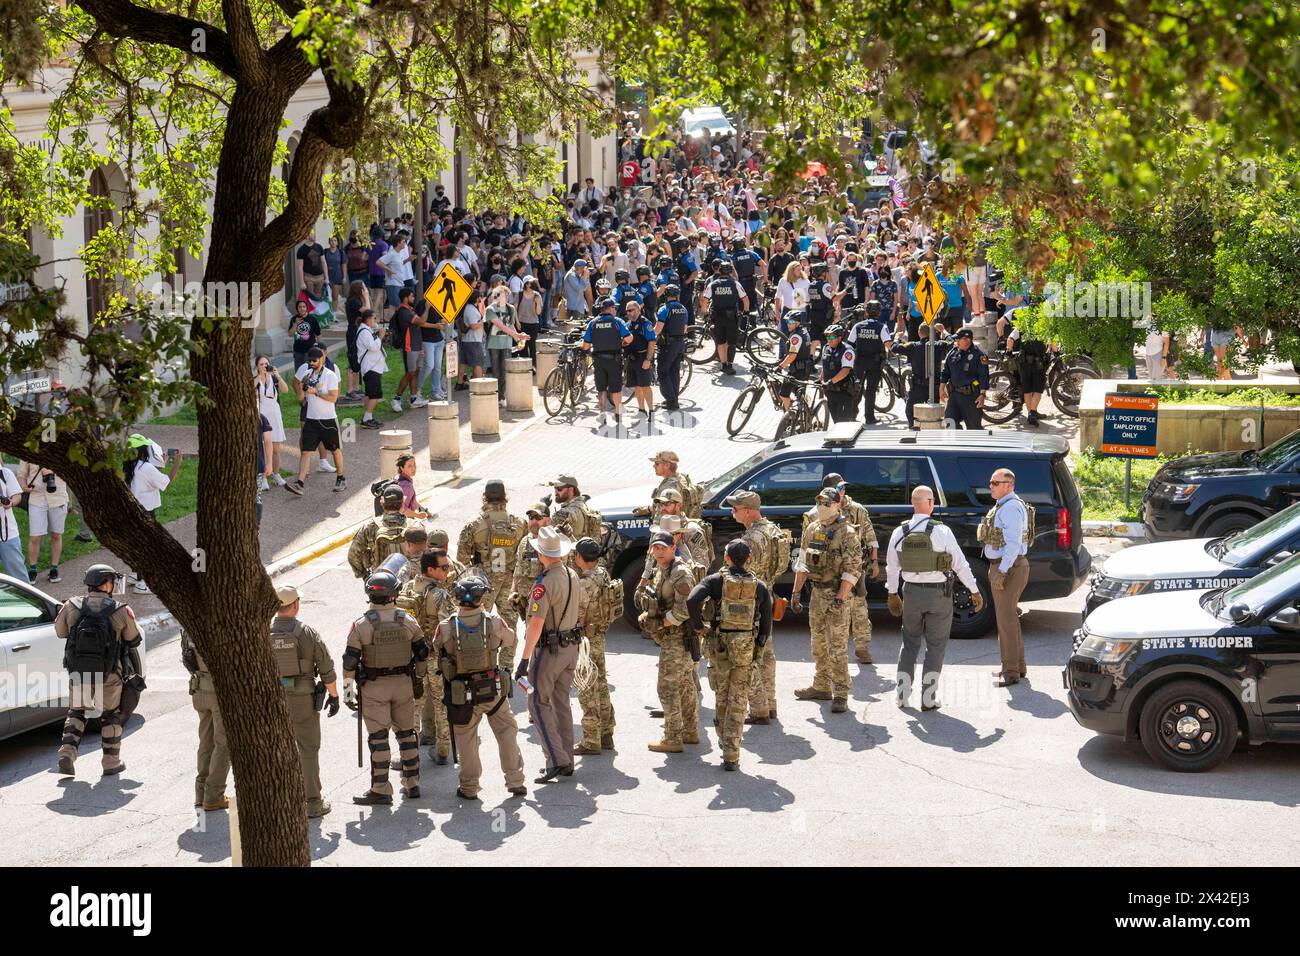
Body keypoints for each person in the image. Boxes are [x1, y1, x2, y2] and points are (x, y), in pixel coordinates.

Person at [885, 485, 983, 709]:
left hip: (910, 592)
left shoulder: (899, 532)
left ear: (913, 503)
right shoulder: (942, 531)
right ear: (930, 503)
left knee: (909, 643)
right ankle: (928, 698)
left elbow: (892, 568)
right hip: (939, 594)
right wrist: (974, 590)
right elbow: (960, 564)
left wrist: (892, 593)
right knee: (936, 646)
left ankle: (902, 695)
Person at [433, 574, 527, 800]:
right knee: (506, 732)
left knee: (466, 739)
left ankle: (469, 787)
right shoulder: (493, 622)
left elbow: (437, 648)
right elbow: (511, 639)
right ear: (481, 598)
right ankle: (515, 781)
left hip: (462, 694)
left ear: (457, 599)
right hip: (492, 690)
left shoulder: (446, 627)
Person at [342, 569, 427, 805]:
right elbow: (422, 653)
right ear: (395, 594)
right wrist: (418, 680)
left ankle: (381, 788)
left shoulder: (361, 625)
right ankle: (412, 783)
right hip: (403, 684)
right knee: (407, 734)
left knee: (379, 738)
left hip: (375, 687)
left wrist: (349, 694)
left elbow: (350, 662)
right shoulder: (407, 620)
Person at [687, 539, 772, 771]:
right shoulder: (760, 587)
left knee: (722, 699)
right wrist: (758, 650)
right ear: (749, 559)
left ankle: (725, 745)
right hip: (745, 652)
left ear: (726, 558)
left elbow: (692, 600)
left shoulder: (715, 581)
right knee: (738, 702)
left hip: (720, 649)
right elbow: (766, 626)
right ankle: (732, 753)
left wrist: (699, 627)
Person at [55, 564, 140, 778]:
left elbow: (60, 631)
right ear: (107, 583)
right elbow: (134, 640)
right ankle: (111, 762)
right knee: (111, 715)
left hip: (79, 672)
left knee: (77, 712)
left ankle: (67, 753)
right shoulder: (121, 610)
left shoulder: (71, 605)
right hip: (110, 674)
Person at [514, 526, 583, 783]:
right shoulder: (571, 574)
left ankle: (555, 760)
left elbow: (535, 624)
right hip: (571, 647)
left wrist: (523, 660)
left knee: (538, 703)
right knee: (561, 702)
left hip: (550, 650)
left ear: (541, 554)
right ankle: (566, 760)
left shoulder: (543, 584)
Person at [268, 584, 339, 818]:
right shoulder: (307, 633)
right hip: (302, 699)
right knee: (308, 749)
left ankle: (280, 801)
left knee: (274, 749)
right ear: (296, 605)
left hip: (272, 698)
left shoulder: (263, 632)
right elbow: (326, 669)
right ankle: (312, 803)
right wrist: (335, 696)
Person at [790, 487, 861, 714]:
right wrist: (796, 593)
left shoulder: (847, 532)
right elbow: (802, 563)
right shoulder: (812, 529)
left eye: (827, 504)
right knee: (818, 643)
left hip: (836, 595)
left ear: (837, 505)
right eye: (819, 503)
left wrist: (840, 598)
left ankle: (840, 692)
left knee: (837, 647)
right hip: (817, 594)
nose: (822, 508)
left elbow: (853, 569)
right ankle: (821, 686)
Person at [804, 473, 879, 664]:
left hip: (853, 567)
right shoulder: (815, 514)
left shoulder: (856, 509)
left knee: (860, 609)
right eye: (839, 488)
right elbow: (807, 544)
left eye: (844, 488)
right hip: (827, 571)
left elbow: (870, 535)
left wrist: (874, 560)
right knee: (834, 619)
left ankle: (863, 647)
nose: (843, 491)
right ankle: (834, 657)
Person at [456, 479, 528, 675]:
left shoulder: (474, 524)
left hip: (482, 585)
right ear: (505, 498)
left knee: (477, 625)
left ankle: (481, 668)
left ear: (485, 498)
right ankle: (506, 670)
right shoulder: (520, 524)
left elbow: (461, 560)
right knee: (510, 627)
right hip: (510, 583)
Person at [636, 531, 699, 754]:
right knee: (684, 685)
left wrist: (660, 623)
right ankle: (690, 731)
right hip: (671, 637)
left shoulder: (680, 573)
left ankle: (672, 737)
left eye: (664, 547)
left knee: (667, 687)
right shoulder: (661, 569)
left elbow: (684, 610)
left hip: (679, 637)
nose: (659, 551)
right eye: (656, 547)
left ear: (674, 548)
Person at [396, 549, 458, 763]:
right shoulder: (439, 594)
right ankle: (442, 750)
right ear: (430, 569)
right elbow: (452, 625)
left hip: (412, 657)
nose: (448, 571)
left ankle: (408, 755)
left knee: (413, 706)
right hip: (436, 659)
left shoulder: (406, 588)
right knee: (441, 704)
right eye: (444, 567)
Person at [982, 468, 1032, 687]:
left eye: (995, 482)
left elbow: (1012, 545)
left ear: (1008, 485)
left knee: (1005, 621)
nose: (990, 486)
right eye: (991, 482)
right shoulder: (1006, 504)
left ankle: (1010, 672)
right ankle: (1018, 667)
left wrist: (1001, 571)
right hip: (1010, 566)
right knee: (1009, 618)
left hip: (1009, 568)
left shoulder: (1010, 508)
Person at [572, 536, 620, 755]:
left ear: (580, 557)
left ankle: (591, 740)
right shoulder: (602, 573)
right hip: (599, 635)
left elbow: (578, 617)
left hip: (586, 641)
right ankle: (606, 732)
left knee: (587, 686)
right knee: (600, 683)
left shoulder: (584, 582)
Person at [124, 435, 183, 593]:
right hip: (147, 511)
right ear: (143, 449)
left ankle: (134, 573)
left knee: (137, 543)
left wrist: (161, 466)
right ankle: (143, 583)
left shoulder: (130, 466)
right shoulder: (146, 467)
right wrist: (177, 463)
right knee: (149, 546)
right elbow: (166, 481)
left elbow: (148, 479)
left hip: (133, 511)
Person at [180, 629, 230, 811]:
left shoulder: (191, 624)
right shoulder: (217, 623)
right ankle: (213, 795)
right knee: (223, 743)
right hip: (218, 690)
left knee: (206, 742)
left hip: (200, 688)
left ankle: (201, 794)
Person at [287, 347, 346, 495]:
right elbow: (302, 398)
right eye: (309, 360)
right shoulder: (307, 374)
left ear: (322, 359)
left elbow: (333, 398)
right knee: (306, 451)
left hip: (328, 420)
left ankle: (341, 478)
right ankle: (300, 483)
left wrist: (316, 392)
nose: (311, 363)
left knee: (335, 450)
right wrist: (302, 390)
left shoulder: (330, 376)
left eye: (314, 360)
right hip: (311, 419)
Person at [582, 297, 634, 428]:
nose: (615, 310)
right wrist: (621, 343)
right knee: (616, 388)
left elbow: (586, 345)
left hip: (598, 360)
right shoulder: (617, 322)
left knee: (601, 388)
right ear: (609, 309)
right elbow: (629, 338)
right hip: (614, 360)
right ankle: (617, 413)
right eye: (614, 308)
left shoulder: (592, 323)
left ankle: (602, 414)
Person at [15, 461, 68, 582]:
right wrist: (24, 486)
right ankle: (33, 569)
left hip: (58, 497)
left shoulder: (58, 449)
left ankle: (54, 568)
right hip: (36, 498)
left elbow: (69, 470)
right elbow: (21, 474)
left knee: (56, 534)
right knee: (35, 537)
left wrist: (52, 471)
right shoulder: (28, 451)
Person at [348, 484, 410, 576]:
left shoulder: (370, 526)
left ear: (382, 502)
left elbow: (353, 554)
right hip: (407, 580)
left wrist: (363, 574)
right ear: (403, 503)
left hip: (380, 579)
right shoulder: (414, 526)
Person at [847, 299, 892, 424]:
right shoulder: (882, 327)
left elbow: (849, 344)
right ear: (879, 313)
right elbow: (888, 344)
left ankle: (852, 415)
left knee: (857, 389)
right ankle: (869, 418)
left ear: (866, 312)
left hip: (859, 362)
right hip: (875, 363)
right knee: (871, 390)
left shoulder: (857, 326)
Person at [700, 260, 748, 374]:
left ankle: (723, 364)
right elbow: (745, 299)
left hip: (718, 317)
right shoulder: (735, 283)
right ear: (730, 272)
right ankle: (730, 365)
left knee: (721, 341)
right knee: (732, 342)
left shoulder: (713, 284)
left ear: (720, 271)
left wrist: (705, 313)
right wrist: (746, 311)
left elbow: (704, 300)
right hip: (732, 317)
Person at [484, 283, 528, 405]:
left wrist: (518, 338)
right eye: (504, 295)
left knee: (504, 370)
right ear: (497, 296)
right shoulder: (490, 309)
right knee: (496, 371)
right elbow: (500, 326)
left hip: (507, 343)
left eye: (507, 295)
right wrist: (517, 335)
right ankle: (496, 395)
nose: (507, 298)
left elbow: (511, 325)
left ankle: (502, 396)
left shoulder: (511, 309)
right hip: (493, 343)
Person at [898, 323, 948, 427]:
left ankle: (915, 428)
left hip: (918, 387)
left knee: (910, 412)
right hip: (934, 386)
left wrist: (897, 337)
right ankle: (932, 431)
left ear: (918, 333)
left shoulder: (912, 346)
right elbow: (952, 342)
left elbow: (894, 348)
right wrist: (943, 331)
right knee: (934, 414)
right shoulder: (939, 345)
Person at [939, 327, 986, 429]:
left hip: (971, 397)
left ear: (967, 340)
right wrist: (941, 388)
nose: (956, 341)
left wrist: (982, 394)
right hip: (954, 395)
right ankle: (957, 442)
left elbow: (983, 377)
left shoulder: (979, 356)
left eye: (958, 339)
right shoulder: (953, 352)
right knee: (949, 423)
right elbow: (945, 372)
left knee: (974, 428)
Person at [653, 283, 689, 411]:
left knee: (663, 372)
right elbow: (685, 328)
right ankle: (674, 399)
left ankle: (671, 401)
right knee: (674, 371)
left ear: (666, 295)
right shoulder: (683, 308)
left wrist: (649, 336)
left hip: (668, 345)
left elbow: (658, 329)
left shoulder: (664, 309)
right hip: (680, 344)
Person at [253, 356, 289, 484]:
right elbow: (250, 389)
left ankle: (276, 474)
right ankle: (263, 477)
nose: (264, 366)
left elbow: (286, 390)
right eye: (261, 364)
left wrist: (277, 375)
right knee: (262, 446)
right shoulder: (256, 380)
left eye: (266, 364)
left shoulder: (273, 378)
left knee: (276, 448)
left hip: (275, 413)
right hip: (262, 414)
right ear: (257, 366)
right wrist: (259, 376)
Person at [391, 287, 426, 411]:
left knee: (416, 371)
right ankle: (396, 399)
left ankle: (413, 398)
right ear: (406, 298)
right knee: (409, 373)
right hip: (409, 346)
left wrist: (437, 326)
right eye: (412, 296)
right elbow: (421, 321)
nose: (413, 298)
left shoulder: (411, 310)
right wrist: (427, 308)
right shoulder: (403, 312)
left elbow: (421, 323)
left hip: (417, 345)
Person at [622, 300, 658, 421]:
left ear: (638, 310)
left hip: (643, 358)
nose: (628, 313)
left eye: (631, 310)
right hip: (632, 359)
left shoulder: (645, 323)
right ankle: (641, 410)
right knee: (637, 386)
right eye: (627, 310)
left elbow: (652, 342)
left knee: (645, 386)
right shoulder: (628, 325)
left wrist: (648, 359)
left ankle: (651, 411)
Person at [1007, 325, 1049, 425]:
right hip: (1038, 364)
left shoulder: (1023, 324)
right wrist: (1056, 351)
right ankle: (1033, 413)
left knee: (1027, 389)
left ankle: (1031, 413)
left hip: (1024, 364)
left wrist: (1009, 351)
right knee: (1038, 390)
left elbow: (1010, 339)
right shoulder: (1045, 324)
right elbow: (1054, 344)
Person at [818, 324, 858, 423]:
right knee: (836, 421)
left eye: (832, 337)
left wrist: (831, 382)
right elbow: (825, 365)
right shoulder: (826, 348)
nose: (829, 339)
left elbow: (845, 371)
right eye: (827, 337)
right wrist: (821, 378)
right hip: (830, 392)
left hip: (843, 393)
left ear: (839, 338)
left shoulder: (847, 351)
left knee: (843, 423)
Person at [355, 307, 386, 429]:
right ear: (368, 319)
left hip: (373, 367)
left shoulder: (366, 330)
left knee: (369, 393)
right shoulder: (363, 332)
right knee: (375, 394)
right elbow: (373, 347)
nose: (375, 320)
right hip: (370, 368)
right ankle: (366, 418)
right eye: (374, 318)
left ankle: (368, 417)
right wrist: (381, 337)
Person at [548, 474, 602, 542]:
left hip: (569, 551)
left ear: (571, 490)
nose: (556, 492)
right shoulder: (585, 507)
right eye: (555, 488)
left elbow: (547, 535)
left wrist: (543, 509)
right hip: (584, 551)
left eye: (559, 489)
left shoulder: (563, 513)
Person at [290, 297, 321, 373]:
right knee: (298, 372)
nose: (302, 309)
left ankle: (307, 385)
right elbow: (290, 333)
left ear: (307, 308)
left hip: (309, 349)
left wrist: (318, 347)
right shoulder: (294, 319)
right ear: (297, 308)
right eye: (300, 307)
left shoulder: (312, 319)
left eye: (304, 307)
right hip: (298, 350)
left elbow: (318, 334)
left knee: (308, 371)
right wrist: (295, 325)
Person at [297, 230, 327, 301]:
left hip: (320, 277)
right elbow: (300, 267)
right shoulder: (301, 250)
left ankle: (317, 312)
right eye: (312, 234)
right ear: (306, 236)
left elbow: (324, 262)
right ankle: (311, 312)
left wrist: (326, 277)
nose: (314, 235)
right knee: (310, 299)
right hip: (309, 277)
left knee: (319, 298)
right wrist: (302, 282)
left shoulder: (319, 247)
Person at [562, 258, 594, 324]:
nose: (584, 270)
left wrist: (585, 277)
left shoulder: (577, 275)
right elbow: (580, 288)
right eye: (583, 268)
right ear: (580, 268)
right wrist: (584, 277)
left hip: (578, 308)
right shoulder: (571, 275)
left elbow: (585, 288)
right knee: (574, 330)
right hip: (574, 309)